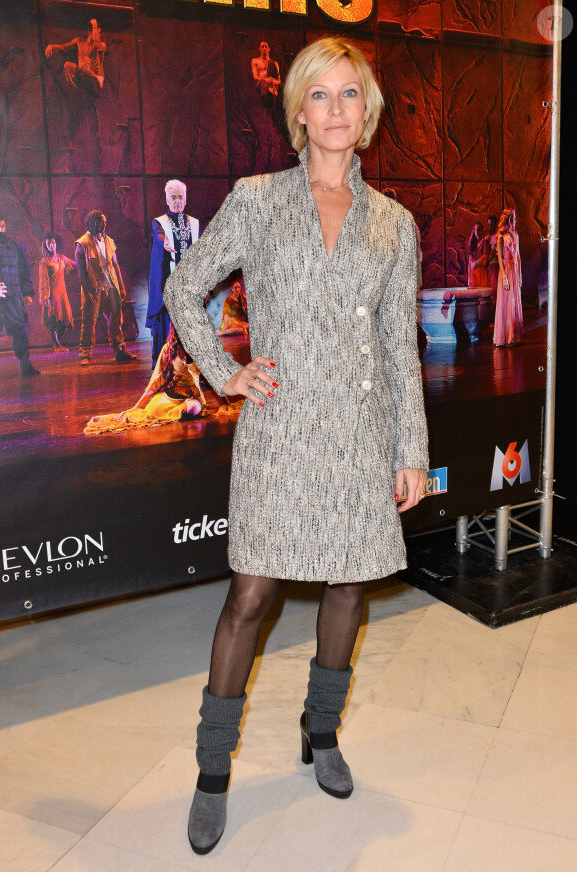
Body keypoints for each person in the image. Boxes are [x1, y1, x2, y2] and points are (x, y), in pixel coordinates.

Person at [164, 37, 428, 855]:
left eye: (351, 94)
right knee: (250, 596)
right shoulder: (256, 200)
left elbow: (398, 348)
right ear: (299, 111)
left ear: (368, 111)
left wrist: (409, 449)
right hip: (278, 435)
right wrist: (224, 372)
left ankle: (322, 732)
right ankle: (214, 771)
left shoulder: (394, 223)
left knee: (349, 590)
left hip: (359, 433)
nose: (337, 109)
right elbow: (184, 286)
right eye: (321, 94)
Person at [84, 326, 206, 434]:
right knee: (145, 415)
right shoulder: (169, 348)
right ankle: (117, 417)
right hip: (168, 399)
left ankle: (179, 413)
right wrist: (136, 407)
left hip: (189, 399)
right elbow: (155, 382)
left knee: (194, 408)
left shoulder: (200, 348)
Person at [147, 180, 200, 369]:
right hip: (168, 285)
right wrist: (164, 242)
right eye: (173, 197)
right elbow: (158, 235)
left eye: (180, 197)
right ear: (167, 200)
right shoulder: (159, 222)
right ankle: (168, 371)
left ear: (185, 199)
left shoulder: (194, 224)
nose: (177, 201)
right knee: (170, 329)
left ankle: (190, 372)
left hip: (189, 287)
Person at [75, 210, 137, 366]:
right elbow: (81, 271)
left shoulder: (109, 240)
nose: (103, 225)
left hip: (110, 284)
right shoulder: (82, 243)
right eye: (100, 221)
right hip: (93, 287)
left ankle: (120, 350)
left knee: (116, 319)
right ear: (92, 222)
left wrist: (121, 287)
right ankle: (85, 354)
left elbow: (115, 265)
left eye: (105, 222)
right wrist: (87, 290)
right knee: (89, 321)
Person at [0, 217, 40, 376]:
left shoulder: (13, 246)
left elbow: (23, 270)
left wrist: (27, 292)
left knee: (21, 330)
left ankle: (25, 365)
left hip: (12, 295)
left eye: (2, 226)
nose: (0, 230)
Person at [45, 19, 105, 93]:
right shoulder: (79, 41)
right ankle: (77, 88)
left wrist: (94, 26)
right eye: (98, 33)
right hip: (81, 73)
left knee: (86, 67)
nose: (100, 35)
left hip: (92, 74)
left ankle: (97, 77)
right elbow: (64, 47)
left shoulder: (100, 45)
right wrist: (52, 46)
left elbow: (97, 47)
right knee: (67, 65)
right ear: (90, 32)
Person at [38, 233, 75, 352]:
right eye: (48, 244)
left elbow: (74, 263)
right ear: (45, 245)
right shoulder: (45, 262)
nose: (51, 245)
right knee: (52, 318)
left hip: (62, 293)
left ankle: (57, 342)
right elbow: (43, 280)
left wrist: (84, 259)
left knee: (65, 318)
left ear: (56, 244)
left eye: (52, 243)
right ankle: (57, 345)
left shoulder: (62, 258)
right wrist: (45, 297)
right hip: (52, 294)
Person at [493, 208, 523, 347]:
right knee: (507, 302)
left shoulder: (515, 234)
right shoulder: (500, 236)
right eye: (511, 218)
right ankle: (505, 336)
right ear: (506, 219)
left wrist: (520, 273)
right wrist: (504, 276)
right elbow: (500, 258)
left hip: (515, 270)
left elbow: (518, 255)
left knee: (514, 301)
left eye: (514, 218)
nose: (513, 220)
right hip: (506, 270)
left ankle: (513, 335)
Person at [251, 41, 281, 105]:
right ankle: (270, 89)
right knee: (263, 82)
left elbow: (279, 79)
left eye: (266, 47)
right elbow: (255, 77)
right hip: (261, 84)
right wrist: (266, 80)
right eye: (262, 47)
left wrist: (276, 82)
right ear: (260, 49)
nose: (264, 48)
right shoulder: (255, 61)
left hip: (271, 83)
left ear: (269, 49)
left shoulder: (274, 63)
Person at [467, 222, 488, 288]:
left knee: (482, 291)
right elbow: (469, 261)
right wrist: (469, 277)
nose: (477, 231)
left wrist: (475, 264)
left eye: (478, 229)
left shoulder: (485, 242)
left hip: (481, 270)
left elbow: (485, 256)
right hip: (473, 272)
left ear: (482, 230)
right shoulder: (472, 243)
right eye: (475, 229)